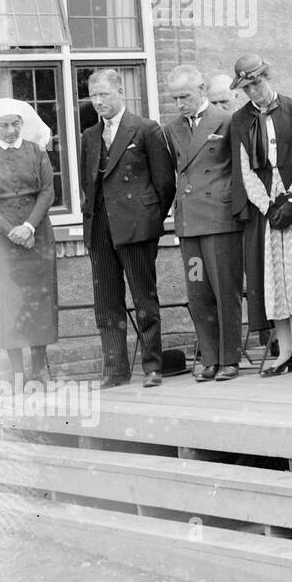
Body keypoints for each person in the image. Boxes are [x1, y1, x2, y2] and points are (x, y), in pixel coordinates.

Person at [79, 69, 176, 389]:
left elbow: (164, 182)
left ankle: (152, 366)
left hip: (136, 226)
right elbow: (87, 183)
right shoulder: (90, 137)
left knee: (144, 298)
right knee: (106, 301)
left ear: (121, 92)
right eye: (93, 96)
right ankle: (115, 369)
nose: (98, 102)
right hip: (100, 227)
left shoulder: (146, 129)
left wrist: (150, 219)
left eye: (104, 94)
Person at [228, 54, 292, 376]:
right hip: (263, 208)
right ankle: (283, 353)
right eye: (247, 87)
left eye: (257, 83)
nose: (254, 92)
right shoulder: (240, 120)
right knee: (271, 279)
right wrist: (267, 206)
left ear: (268, 77)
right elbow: (243, 169)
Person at [162, 66, 244, 381]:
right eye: (175, 98)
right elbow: (174, 172)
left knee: (225, 290)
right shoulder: (172, 129)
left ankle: (230, 359)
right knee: (198, 292)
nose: (180, 103)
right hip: (190, 225)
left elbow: (238, 170)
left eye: (185, 96)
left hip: (220, 221)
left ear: (200, 89)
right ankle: (209, 358)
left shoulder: (224, 120)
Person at [0, 98, 57, 384]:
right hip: (2, 239)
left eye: (15, 124)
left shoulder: (36, 152)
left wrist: (29, 226)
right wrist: (12, 231)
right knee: (8, 302)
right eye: (4, 125)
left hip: (38, 235)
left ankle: (39, 369)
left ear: (23, 124)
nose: (10, 130)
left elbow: (47, 192)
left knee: (39, 300)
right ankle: (17, 371)